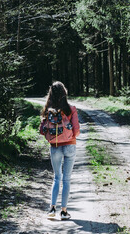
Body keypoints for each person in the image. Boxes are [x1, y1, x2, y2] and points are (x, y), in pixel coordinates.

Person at [40, 81, 80, 220]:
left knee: (57, 177)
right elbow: (77, 131)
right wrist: (69, 136)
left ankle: (52, 209)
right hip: (70, 145)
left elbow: (41, 130)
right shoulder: (71, 109)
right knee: (67, 179)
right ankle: (64, 211)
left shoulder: (47, 110)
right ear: (64, 93)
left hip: (55, 146)